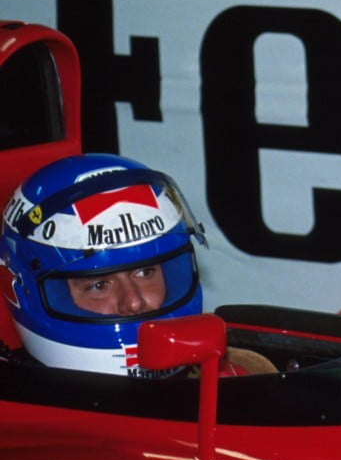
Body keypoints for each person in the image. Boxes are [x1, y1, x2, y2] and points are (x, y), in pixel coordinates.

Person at [1, 152, 212, 375]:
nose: (134, 303)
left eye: (145, 272)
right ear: (21, 291)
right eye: (99, 285)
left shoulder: (227, 374)